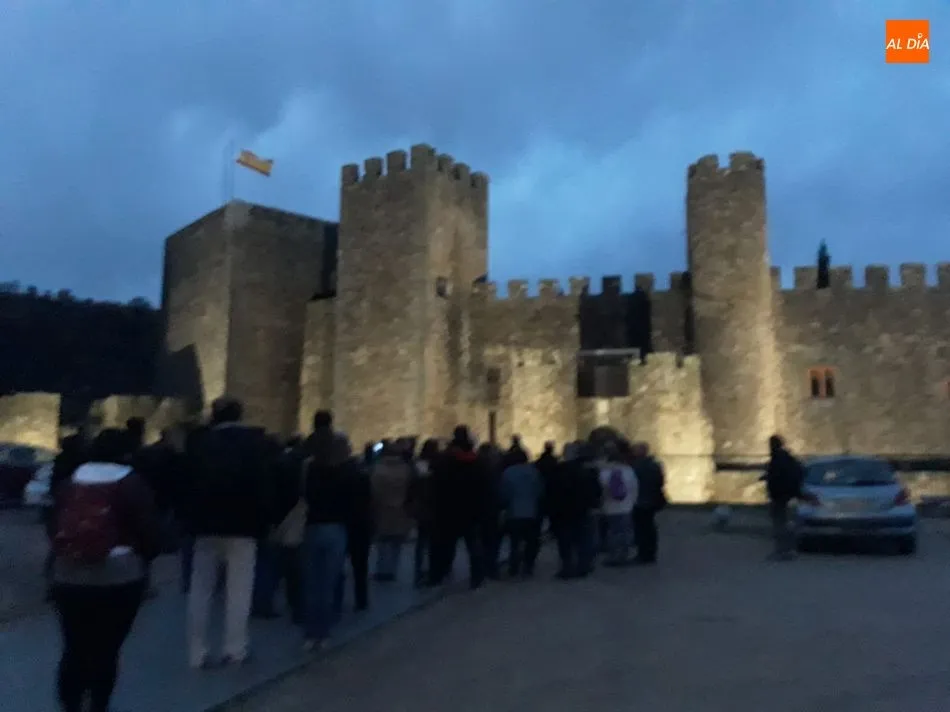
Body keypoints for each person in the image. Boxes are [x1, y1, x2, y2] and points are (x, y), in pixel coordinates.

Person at [48, 427, 161, 712]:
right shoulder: (131, 483)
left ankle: (70, 702)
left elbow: (53, 524)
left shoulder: (70, 482)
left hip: (69, 572)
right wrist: (147, 556)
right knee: (107, 648)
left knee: (73, 643)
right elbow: (148, 530)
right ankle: (98, 704)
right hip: (119, 573)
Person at [182, 397, 275, 669]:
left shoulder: (199, 443)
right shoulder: (256, 444)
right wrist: (266, 520)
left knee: (200, 590)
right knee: (239, 589)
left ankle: (196, 651)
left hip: (204, 525)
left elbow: (186, 482)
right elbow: (264, 485)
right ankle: (235, 648)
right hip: (244, 526)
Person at [302, 434, 357, 650]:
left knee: (311, 584)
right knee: (328, 583)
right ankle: (323, 632)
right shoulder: (346, 473)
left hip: (312, 527)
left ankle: (309, 633)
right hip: (335, 529)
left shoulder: (310, 471)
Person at [428, 425, 487, 589]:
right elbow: (483, 486)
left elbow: (437, 484)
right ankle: (477, 576)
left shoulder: (445, 459)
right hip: (470, 509)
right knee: (473, 545)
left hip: (448, 509)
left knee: (445, 544)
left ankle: (439, 574)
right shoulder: (476, 460)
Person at [551, 442, 601, 578]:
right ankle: (583, 566)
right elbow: (595, 490)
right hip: (581, 510)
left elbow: (551, 492)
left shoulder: (558, 471)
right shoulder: (586, 471)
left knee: (565, 542)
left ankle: (567, 567)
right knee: (582, 539)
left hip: (563, 511)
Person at [370, 441, 414, 582]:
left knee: (383, 543)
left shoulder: (377, 469)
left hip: (382, 509)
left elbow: (373, 490)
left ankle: (383, 569)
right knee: (397, 542)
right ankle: (393, 569)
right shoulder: (405, 469)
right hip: (401, 509)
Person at [498, 448, 544, 577]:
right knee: (531, 541)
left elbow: (504, 493)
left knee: (515, 541)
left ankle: (514, 566)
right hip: (532, 511)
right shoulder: (534, 472)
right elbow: (540, 491)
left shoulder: (508, 473)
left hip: (514, 512)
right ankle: (528, 565)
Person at [761, 434, 805, 561]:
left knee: (780, 524)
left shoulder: (778, 459)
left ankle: (782, 551)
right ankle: (788, 550)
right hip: (784, 494)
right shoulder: (786, 458)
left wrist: (770, 478)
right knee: (784, 523)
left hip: (779, 495)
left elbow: (777, 475)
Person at [597, 441, 638, 566]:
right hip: (626, 507)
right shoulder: (628, 470)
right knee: (625, 532)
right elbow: (634, 487)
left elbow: (600, 490)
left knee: (612, 532)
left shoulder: (603, 472)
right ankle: (623, 555)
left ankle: (613, 556)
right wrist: (632, 502)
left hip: (610, 507)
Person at [406, 438, 439, 586]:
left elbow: (412, 486)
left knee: (422, 540)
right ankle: (432, 570)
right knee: (433, 541)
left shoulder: (417, 465)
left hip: (422, 507)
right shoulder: (439, 464)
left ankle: (419, 570)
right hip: (434, 507)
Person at [630, 442, 667, 564]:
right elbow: (660, 481)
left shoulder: (636, 466)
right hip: (651, 499)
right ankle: (650, 553)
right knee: (649, 527)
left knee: (642, 528)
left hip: (640, 500)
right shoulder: (655, 465)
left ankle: (644, 554)